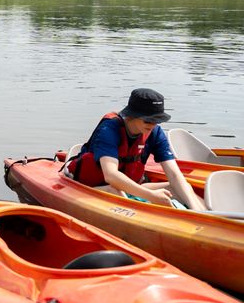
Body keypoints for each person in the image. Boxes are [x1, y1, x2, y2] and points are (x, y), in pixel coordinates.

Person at [65, 88, 206, 211]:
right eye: (148, 120)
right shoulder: (109, 129)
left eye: (157, 120)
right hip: (92, 186)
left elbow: (174, 175)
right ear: (132, 115)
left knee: (180, 188)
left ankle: (205, 216)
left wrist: (195, 211)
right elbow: (111, 176)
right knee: (115, 191)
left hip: (125, 187)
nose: (153, 125)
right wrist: (152, 196)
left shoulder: (155, 132)